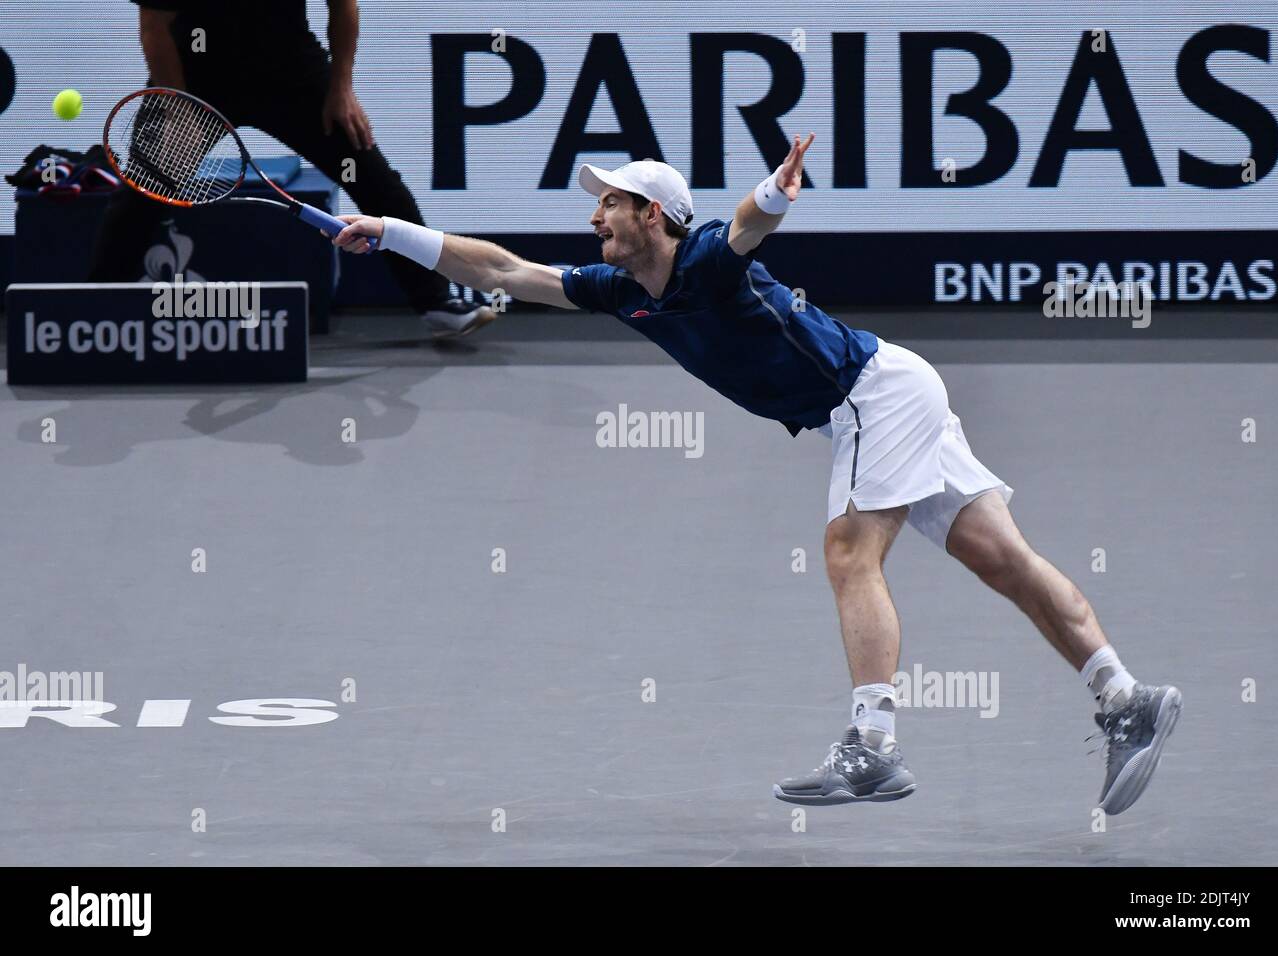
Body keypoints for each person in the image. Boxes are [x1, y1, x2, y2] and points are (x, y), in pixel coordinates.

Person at [330, 135, 1182, 814]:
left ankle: (873, 748)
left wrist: (774, 192)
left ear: (655, 216)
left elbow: (747, 226)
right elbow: (503, 271)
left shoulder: (702, 259)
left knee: (850, 554)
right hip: (894, 388)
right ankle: (1125, 696)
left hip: (866, 400)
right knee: (1001, 559)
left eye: (611, 202)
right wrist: (392, 231)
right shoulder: (615, 288)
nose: (596, 215)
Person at [88, 0, 491, 339]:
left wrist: (341, 88)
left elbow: (343, 5)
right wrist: (180, 105)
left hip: (292, 74)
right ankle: (89, 314)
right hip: (197, 77)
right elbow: (155, 23)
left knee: (371, 175)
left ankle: (435, 301)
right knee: (140, 194)